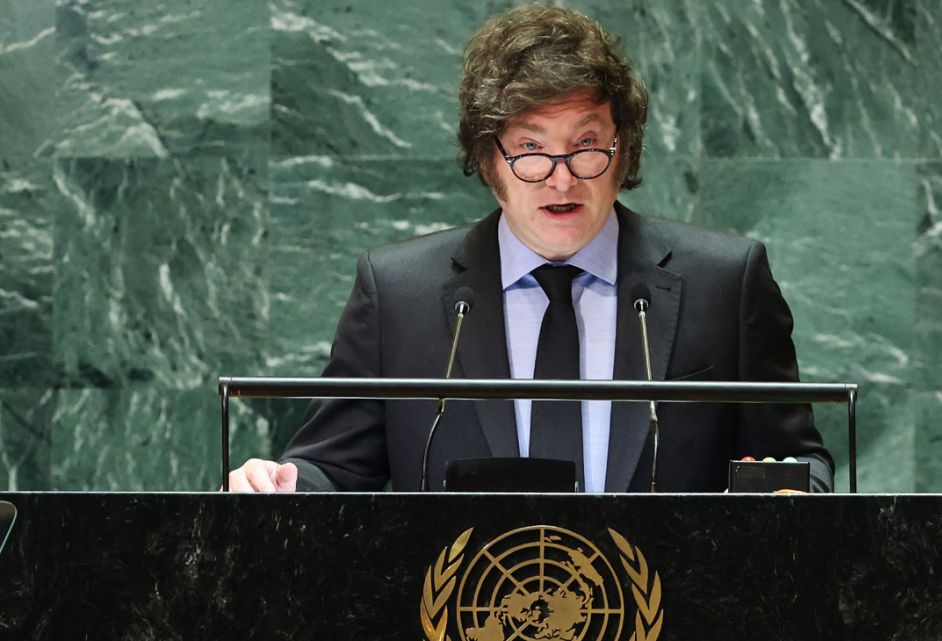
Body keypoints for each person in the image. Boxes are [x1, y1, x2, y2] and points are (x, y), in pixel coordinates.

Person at [228, 4, 833, 493]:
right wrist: (277, 484)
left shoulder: (724, 283)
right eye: (530, 147)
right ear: (490, 159)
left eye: (587, 142)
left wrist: (789, 498)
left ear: (624, 151)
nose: (561, 176)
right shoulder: (398, 294)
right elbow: (333, 470)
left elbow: (796, 465)